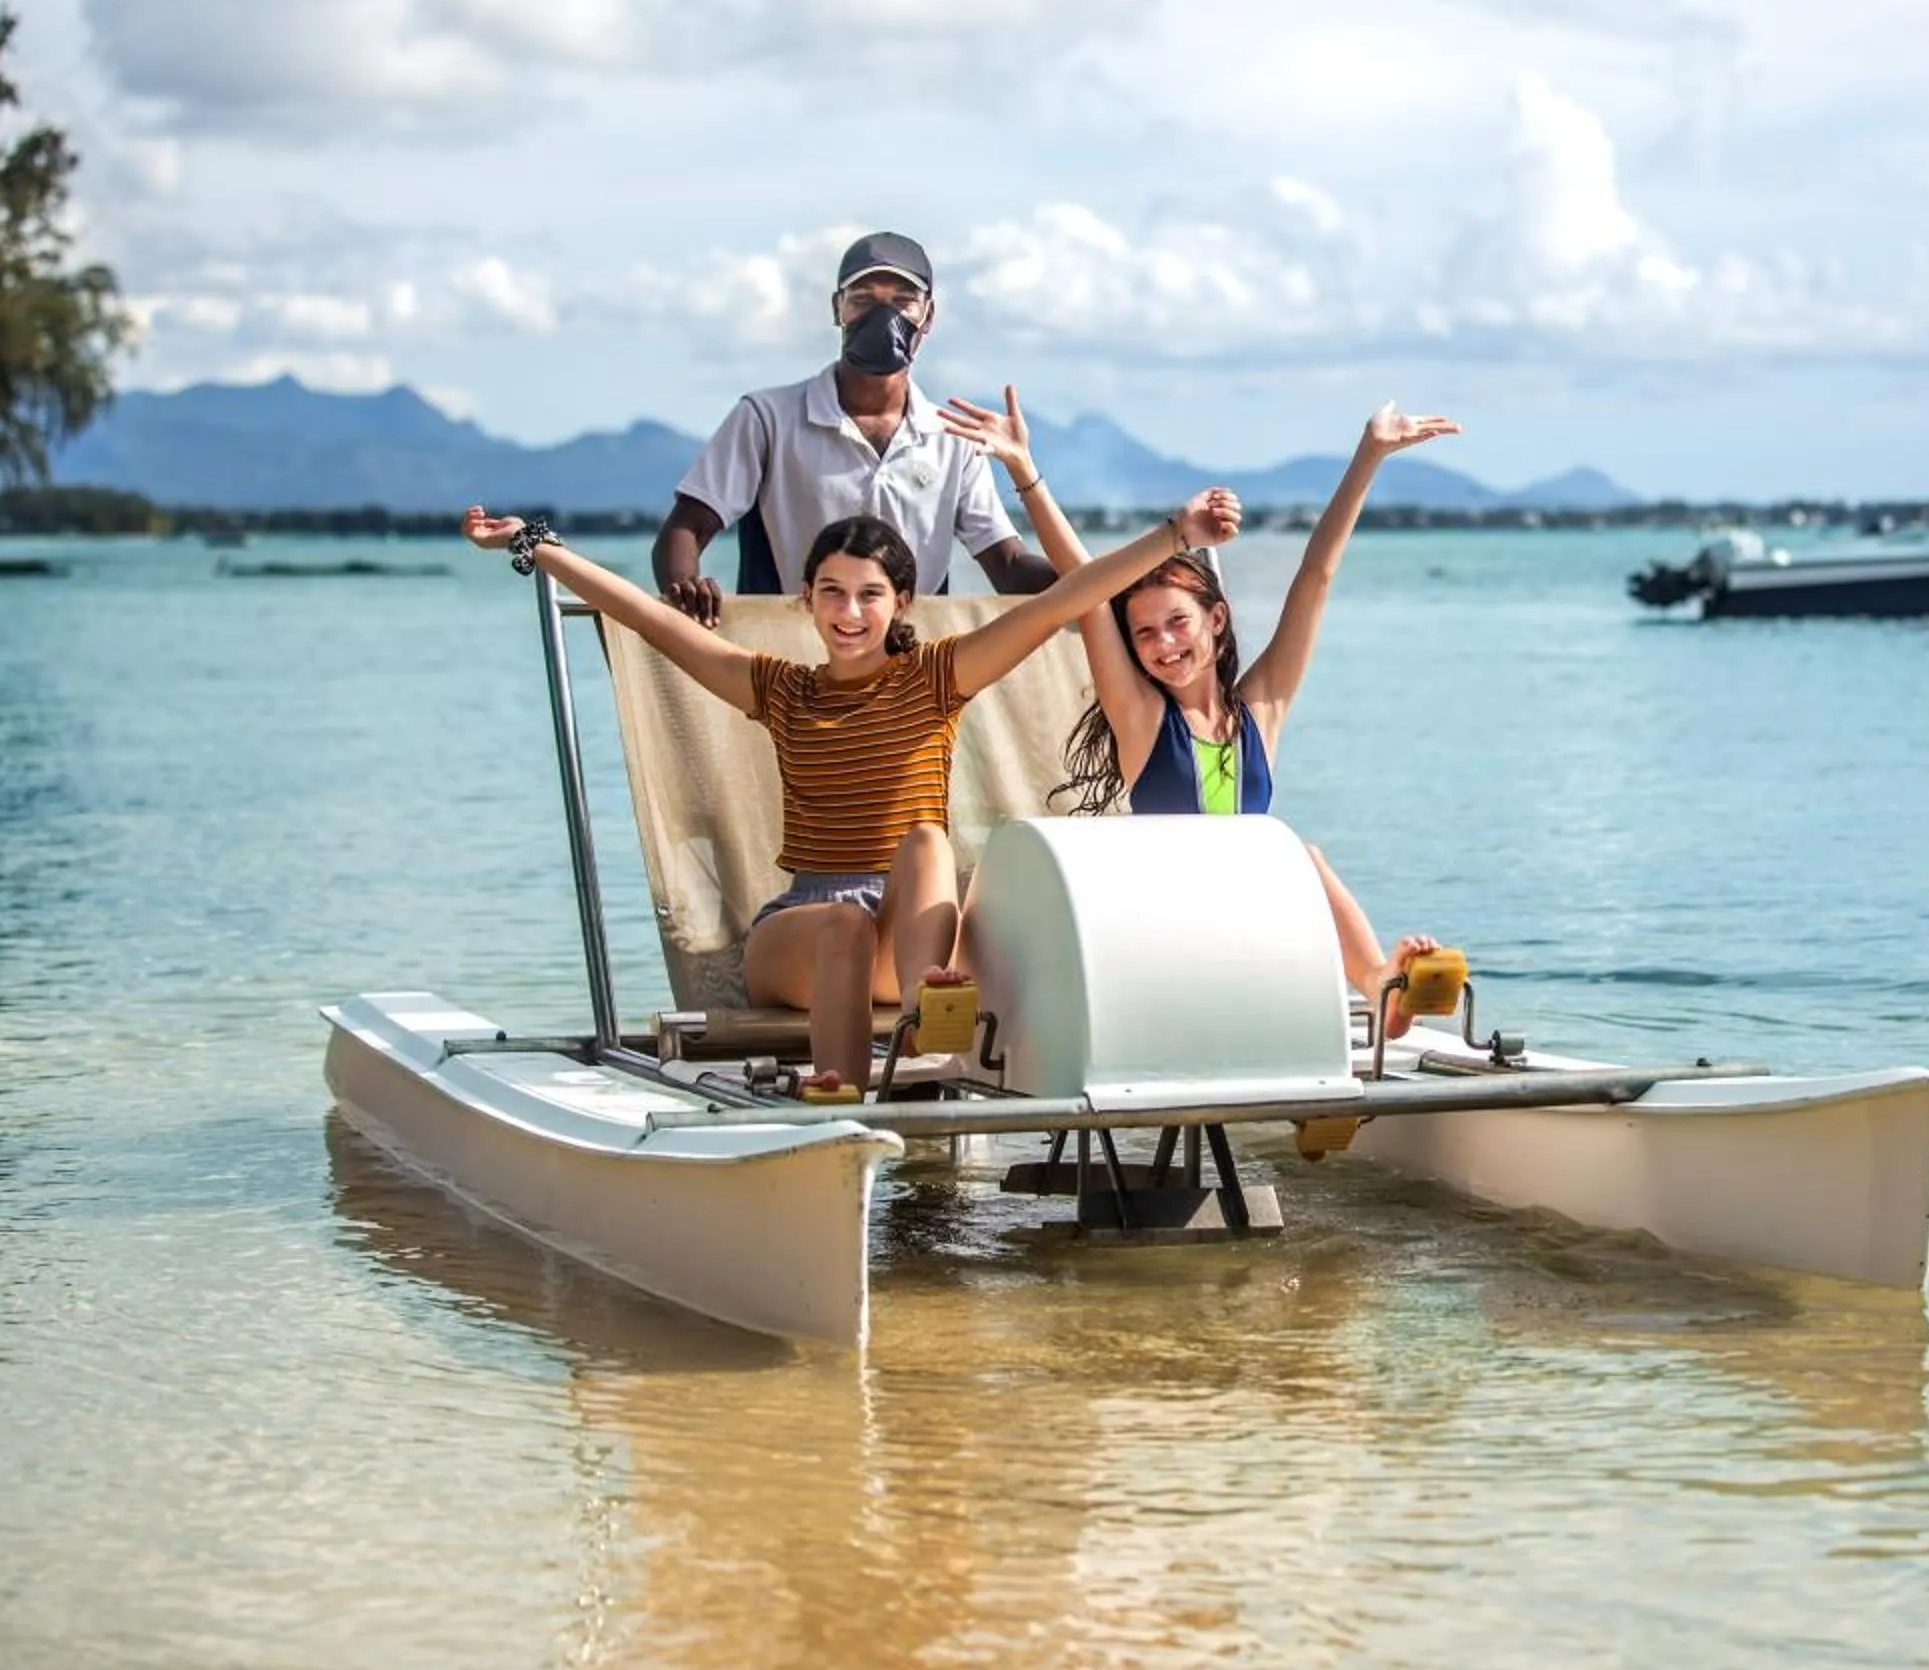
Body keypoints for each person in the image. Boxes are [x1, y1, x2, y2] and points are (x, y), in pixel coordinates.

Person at [466, 487, 1242, 1091]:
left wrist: (1176, 536)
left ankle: (924, 1012)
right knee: (841, 922)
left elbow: (1062, 602)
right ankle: (841, 1091)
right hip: (803, 930)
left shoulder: (937, 677)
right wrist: (541, 548)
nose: (849, 612)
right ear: (806, 598)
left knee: (929, 841)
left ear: (899, 602)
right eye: (832, 592)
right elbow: (649, 620)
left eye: (869, 594)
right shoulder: (779, 689)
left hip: (912, 937)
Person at [939, 389, 1462, 1035]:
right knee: (1298, 854)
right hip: (1168, 928)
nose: (1163, 645)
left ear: (1216, 620)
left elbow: (1316, 578)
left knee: (1303, 855)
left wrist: (1369, 454)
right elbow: (1084, 590)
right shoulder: (1141, 718)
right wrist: (1024, 470)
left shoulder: (1260, 711)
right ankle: (1371, 984)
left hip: (1247, 928)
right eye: (1145, 635)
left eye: (1177, 624)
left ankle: (1378, 985)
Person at [651, 231, 1057, 624]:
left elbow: (1008, 566)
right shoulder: (767, 418)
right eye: (863, 300)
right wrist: (686, 590)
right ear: (837, 309)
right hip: (791, 667)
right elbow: (686, 528)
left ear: (928, 316)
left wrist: (1104, 588)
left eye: (904, 301)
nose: (884, 317)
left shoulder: (952, 439)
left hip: (911, 673)